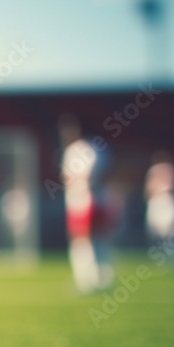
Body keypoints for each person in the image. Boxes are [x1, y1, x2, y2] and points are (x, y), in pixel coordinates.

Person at [58, 114, 116, 294]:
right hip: (95, 198)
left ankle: (87, 280)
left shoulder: (79, 149)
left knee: (81, 240)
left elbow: (74, 177)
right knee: (97, 240)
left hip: (83, 200)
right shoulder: (98, 148)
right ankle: (102, 277)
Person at [144, 151, 174, 265]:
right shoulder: (153, 171)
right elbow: (149, 189)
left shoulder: (172, 170)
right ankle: (160, 256)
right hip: (157, 201)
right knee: (157, 230)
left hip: (168, 200)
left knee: (172, 231)